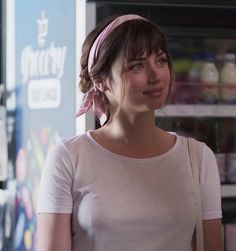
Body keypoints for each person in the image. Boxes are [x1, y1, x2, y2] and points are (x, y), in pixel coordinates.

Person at [37, 14, 222, 251]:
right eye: (137, 65)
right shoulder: (68, 157)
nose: (156, 76)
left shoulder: (198, 158)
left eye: (161, 61)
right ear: (101, 80)